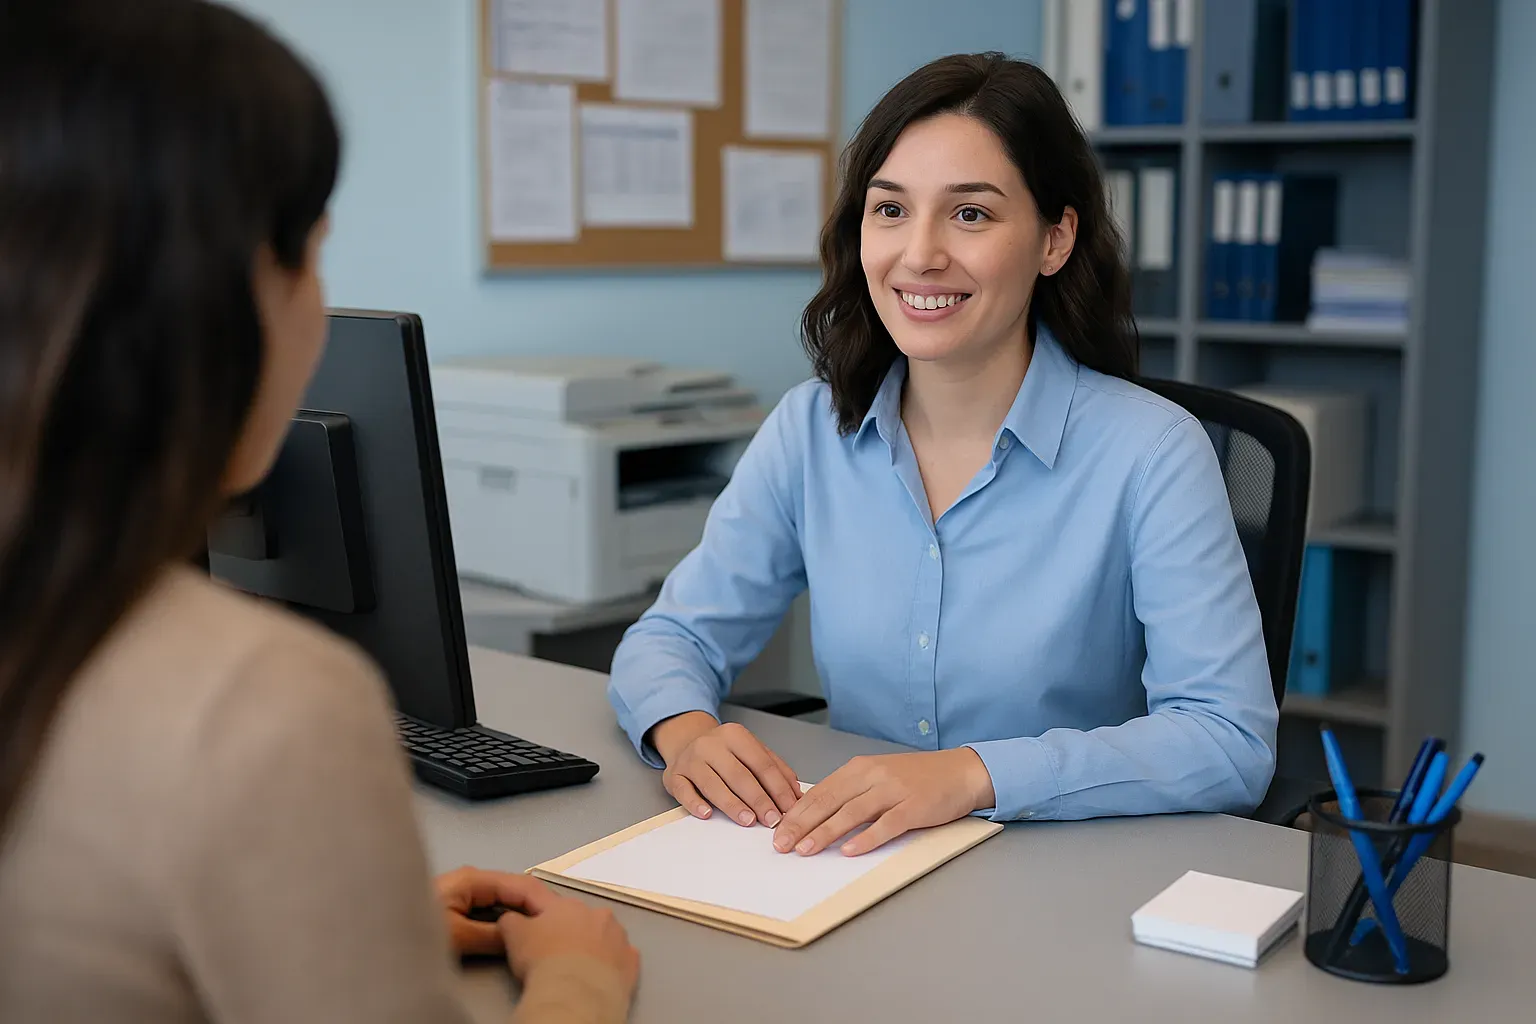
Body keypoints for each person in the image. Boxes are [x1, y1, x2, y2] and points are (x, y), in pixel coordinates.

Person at [0, 2, 636, 1022]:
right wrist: (581, 975)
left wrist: (335, 915)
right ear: (227, 290)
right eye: (312, 254)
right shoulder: (265, 703)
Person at [608, 53, 1279, 858]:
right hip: (852, 863)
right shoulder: (810, 430)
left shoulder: (1151, 452)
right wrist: (685, 733)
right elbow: (673, 635)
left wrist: (973, 775)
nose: (919, 254)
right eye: (890, 211)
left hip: (1068, 872)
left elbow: (1227, 738)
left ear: (1054, 239)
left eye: (970, 215)